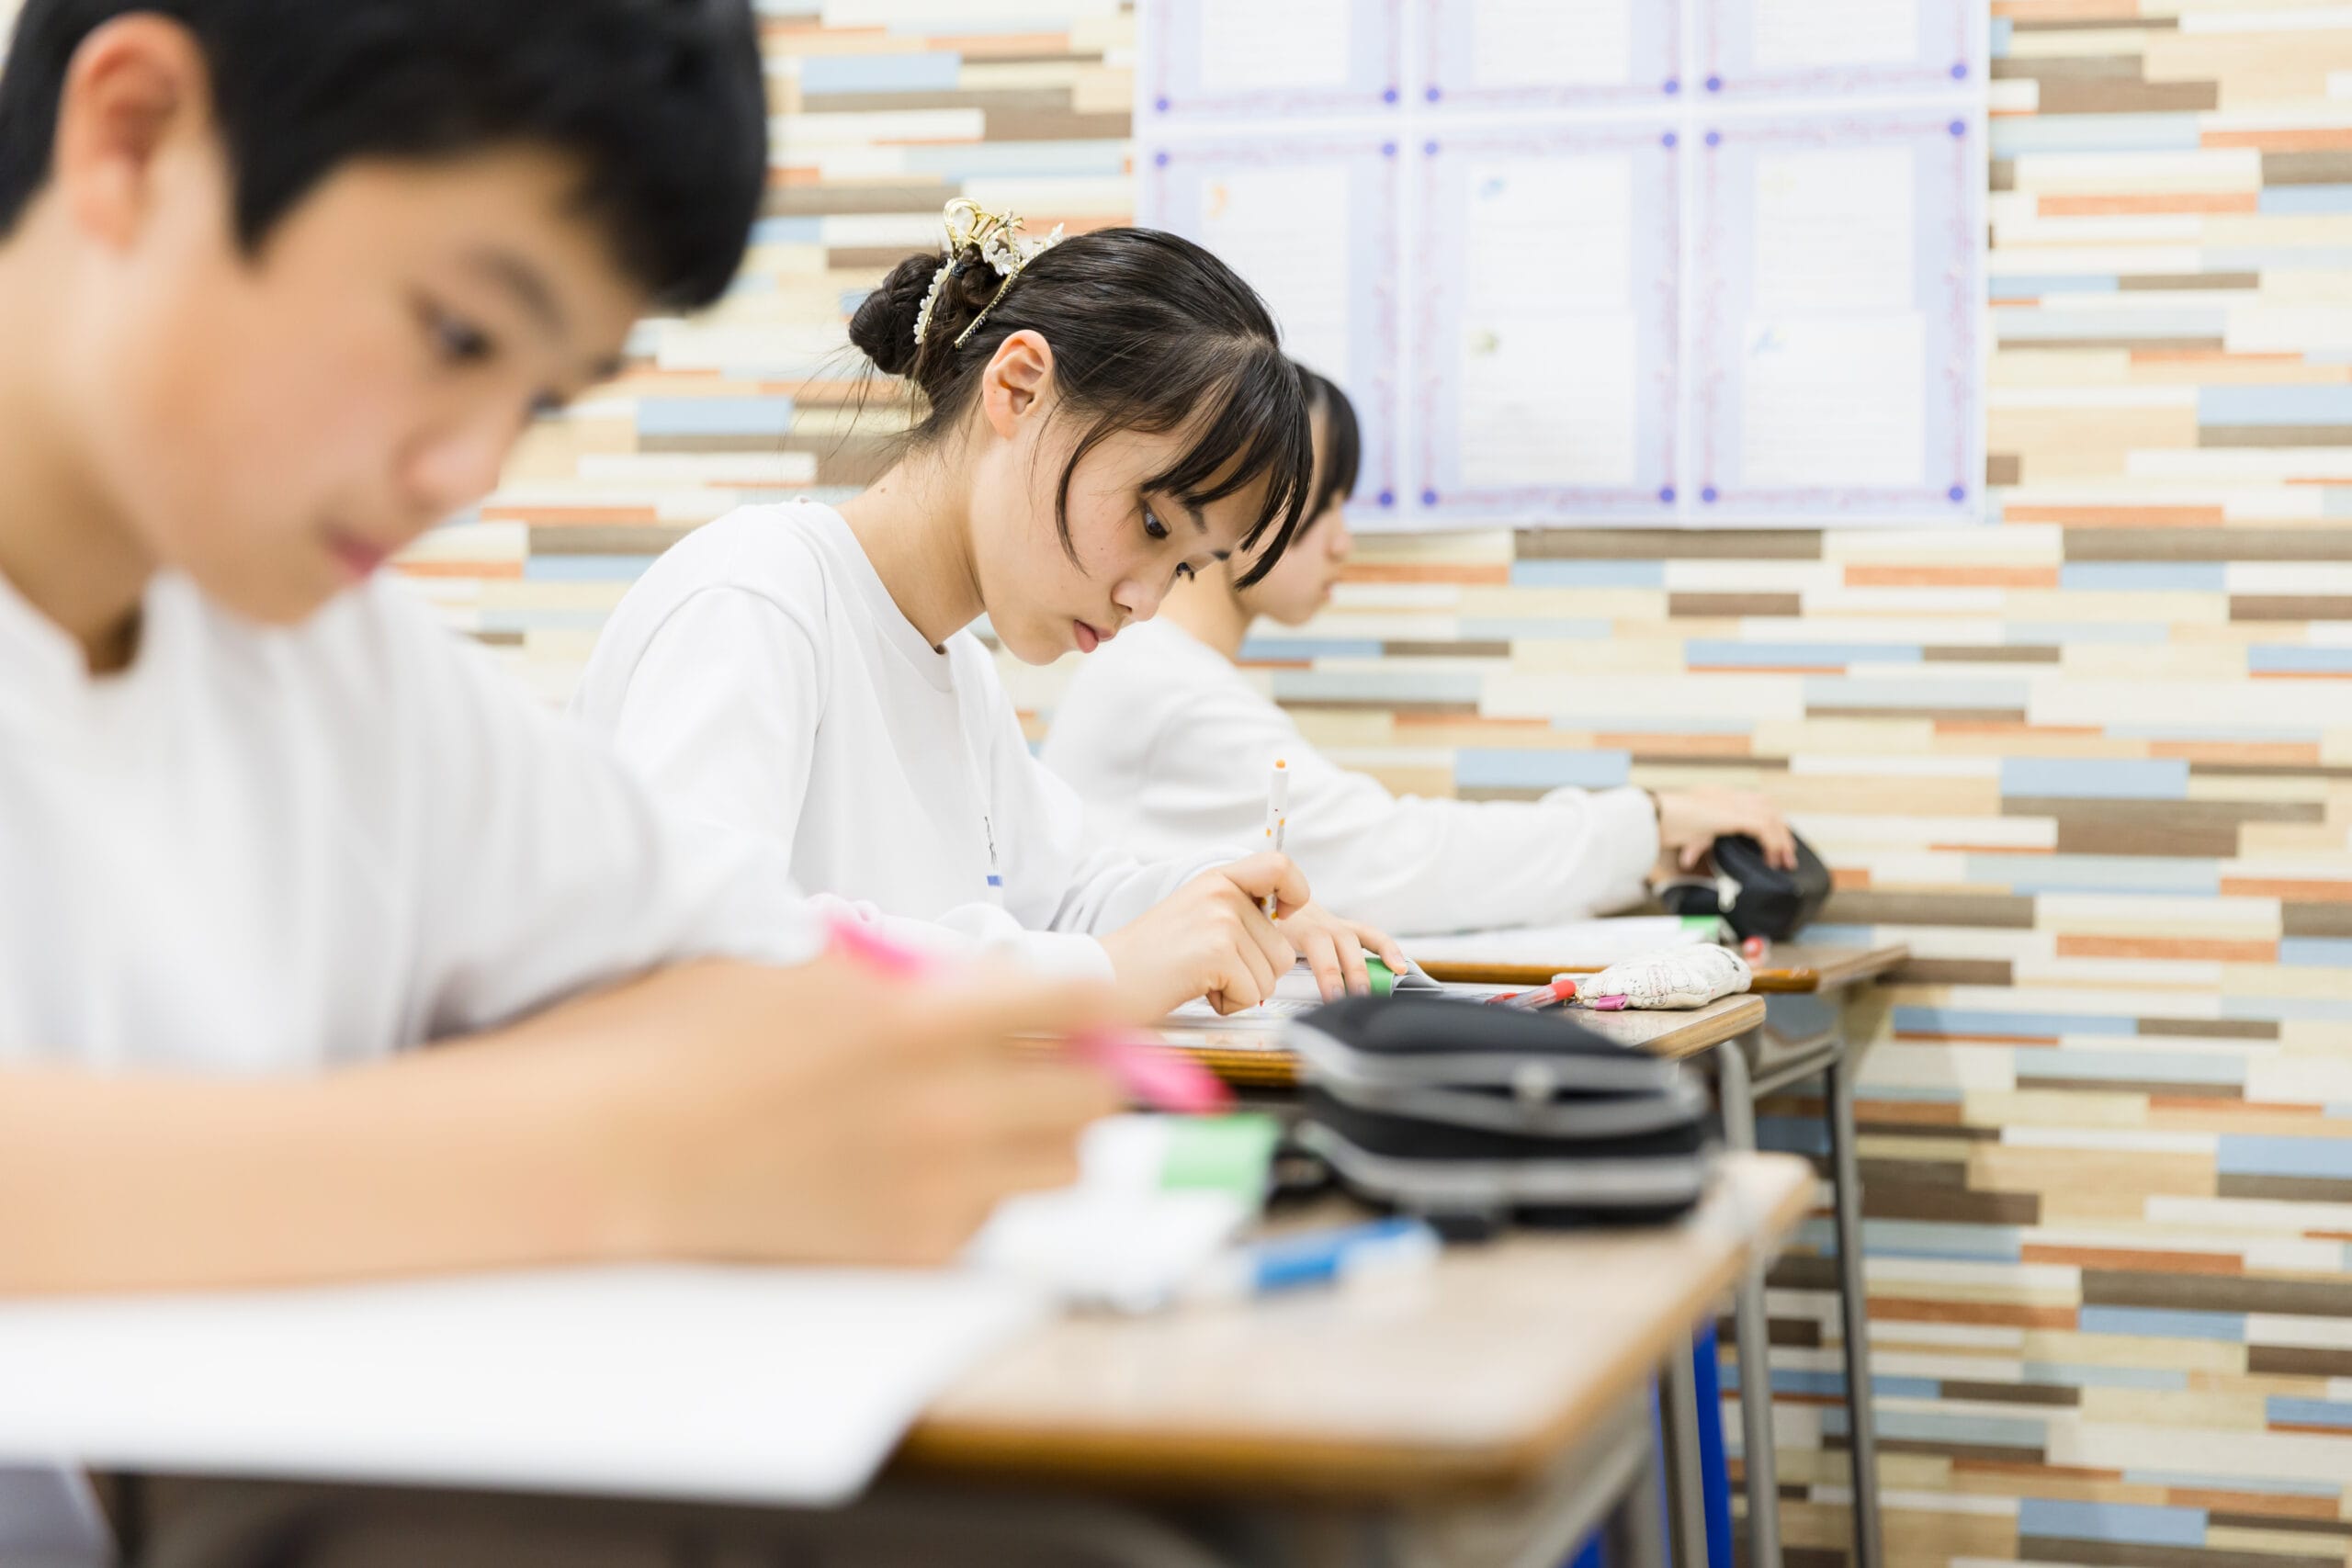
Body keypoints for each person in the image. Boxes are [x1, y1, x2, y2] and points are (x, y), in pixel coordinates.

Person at [0, 0, 1119, 1301]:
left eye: (536, 398)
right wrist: (618, 1155)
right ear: (135, 139)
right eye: (456, 334)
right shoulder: (748, 592)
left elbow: (735, 962)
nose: (468, 473)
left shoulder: (346, 670)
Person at [571, 204, 1406, 1015]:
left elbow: (1064, 900)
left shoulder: (960, 672)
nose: (1144, 600)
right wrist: (1103, 972)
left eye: (1184, 567)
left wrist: (1222, 908)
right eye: (1152, 523)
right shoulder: (757, 597)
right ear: (1019, 387)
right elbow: (705, 949)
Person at [1043, 369, 1797, 937]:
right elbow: (1392, 864)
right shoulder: (1163, 684)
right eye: (1322, 502)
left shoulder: (1174, 671)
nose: (1344, 541)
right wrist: (1649, 820)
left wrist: (1644, 843)